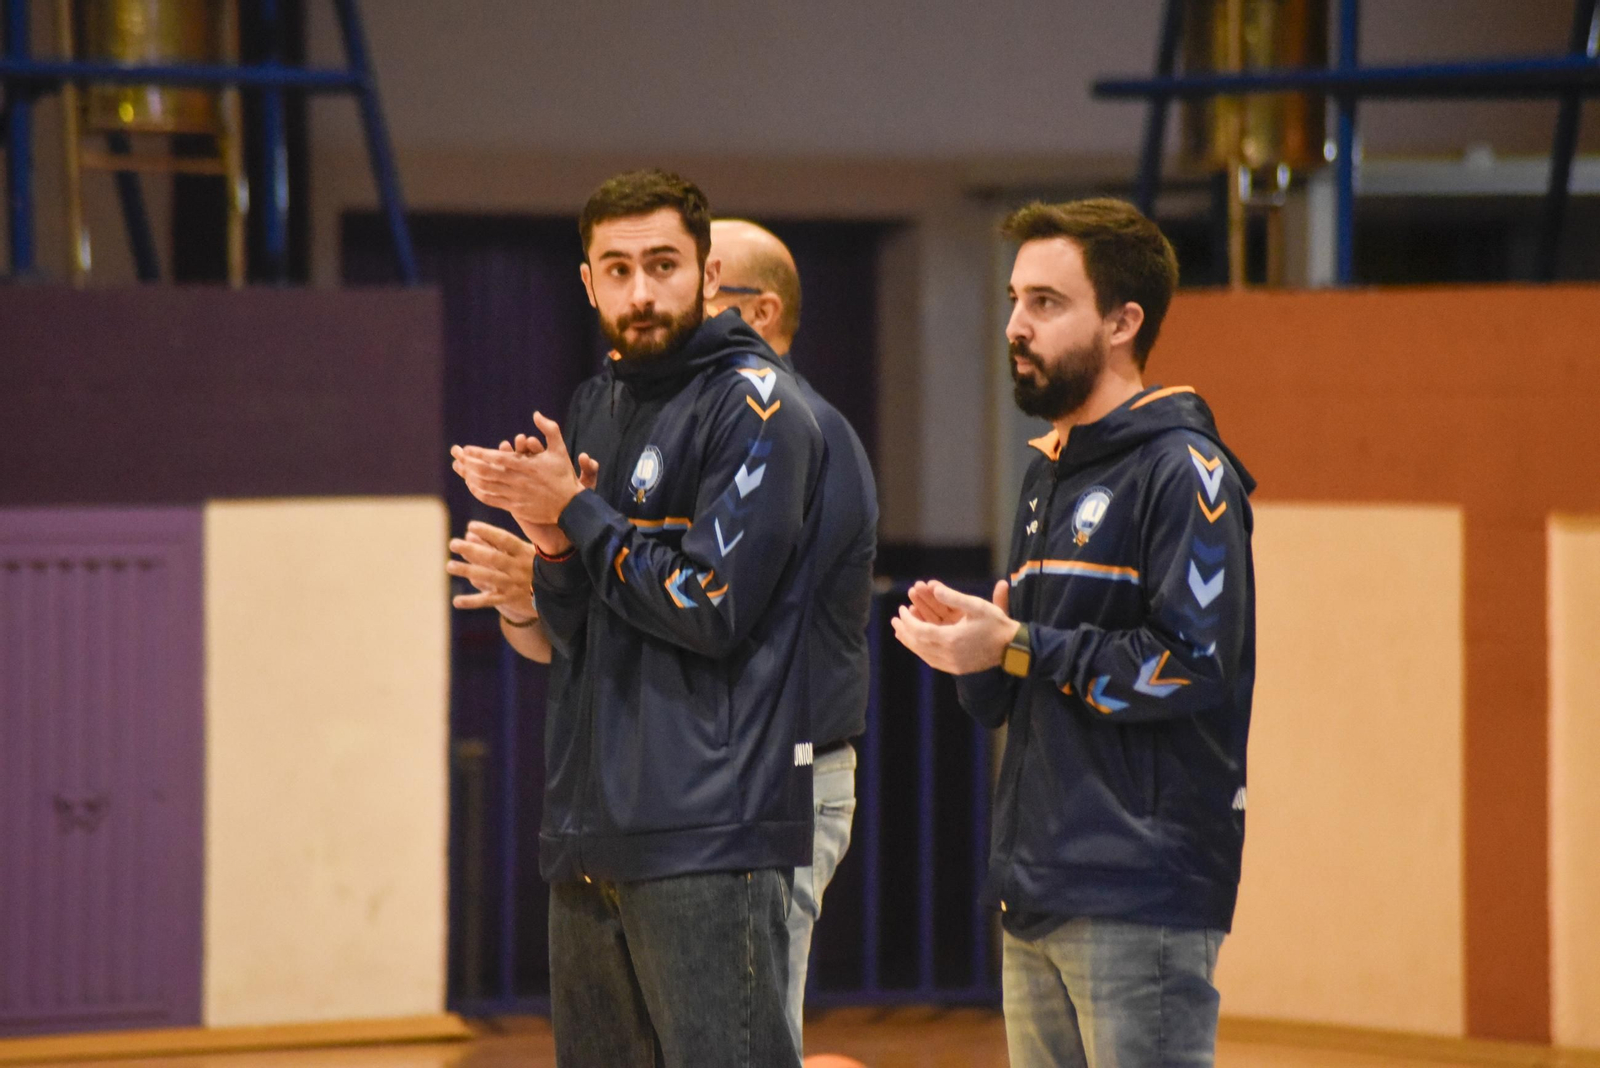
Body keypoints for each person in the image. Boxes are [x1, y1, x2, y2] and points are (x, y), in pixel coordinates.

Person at [447, 218, 879, 1058]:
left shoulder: (795, 429)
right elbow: (617, 625)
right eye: (621, 273)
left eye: (687, 282)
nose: (652, 301)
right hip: (659, 787)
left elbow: (709, 612)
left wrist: (575, 518)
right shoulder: (635, 411)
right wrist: (542, 585)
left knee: (749, 1037)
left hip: (769, 782)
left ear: (754, 309)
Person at [889, 198, 1256, 1068]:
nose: (1016, 325)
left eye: (1047, 303)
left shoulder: (1186, 473)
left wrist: (1015, 643)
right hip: (1036, 887)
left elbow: (1190, 667)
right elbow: (1024, 682)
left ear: (1124, 321)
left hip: (1141, 894)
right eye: (1016, 300)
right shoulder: (1046, 470)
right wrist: (974, 651)